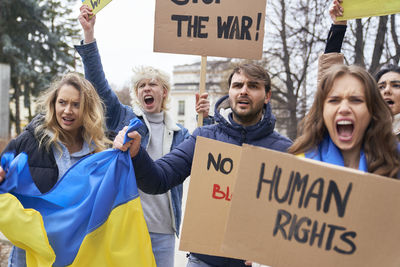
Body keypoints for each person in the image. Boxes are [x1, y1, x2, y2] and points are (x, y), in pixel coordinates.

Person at [115, 63, 293, 267]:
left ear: (267, 96)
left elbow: (291, 219)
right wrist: (137, 154)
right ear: (230, 93)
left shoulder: (285, 151)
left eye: (253, 86)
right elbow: (160, 178)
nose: (243, 90)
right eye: (237, 85)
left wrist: (268, 250)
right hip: (203, 261)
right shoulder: (204, 138)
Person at [75, 5, 211, 267]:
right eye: (140, 86)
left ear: (164, 92)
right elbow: (98, 86)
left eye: (152, 84)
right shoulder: (125, 121)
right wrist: (89, 36)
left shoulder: (182, 134)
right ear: (137, 95)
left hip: (164, 232)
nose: (146, 88)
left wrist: (206, 118)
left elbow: (206, 162)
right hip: (128, 225)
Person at [0, 72, 112, 266]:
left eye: (76, 105)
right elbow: (4, 173)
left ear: (87, 109)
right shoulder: (30, 140)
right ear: (53, 104)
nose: (67, 110)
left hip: (73, 255)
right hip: (29, 252)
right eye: (62, 102)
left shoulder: (97, 155)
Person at [289, 64, 400, 177]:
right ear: (322, 110)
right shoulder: (297, 164)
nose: (344, 109)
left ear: (373, 111)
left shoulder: (395, 161)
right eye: (334, 100)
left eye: (356, 100)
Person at [321, 0, 400, 139]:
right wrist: (338, 27)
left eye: (396, 85)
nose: (387, 90)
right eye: (381, 87)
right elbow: (328, 85)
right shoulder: (358, 135)